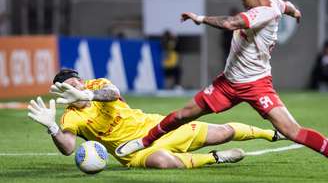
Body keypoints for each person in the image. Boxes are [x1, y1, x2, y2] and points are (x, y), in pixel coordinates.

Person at [115, 0, 328, 159]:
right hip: (227, 84)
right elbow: (288, 6)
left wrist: (201, 18)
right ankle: (143, 141)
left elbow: (229, 23)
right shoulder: (276, 3)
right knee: (183, 114)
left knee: (292, 131)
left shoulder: (262, 13)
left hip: (256, 85)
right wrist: (296, 12)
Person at [27, 69, 285, 169]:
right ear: (64, 94)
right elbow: (68, 148)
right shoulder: (71, 116)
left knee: (224, 132)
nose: (79, 85)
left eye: (79, 81)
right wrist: (52, 127)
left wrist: (87, 92)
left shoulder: (96, 85)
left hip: (156, 129)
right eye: (72, 86)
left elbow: (113, 93)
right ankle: (216, 158)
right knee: (162, 162)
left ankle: (272, 133)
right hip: (131, 153)